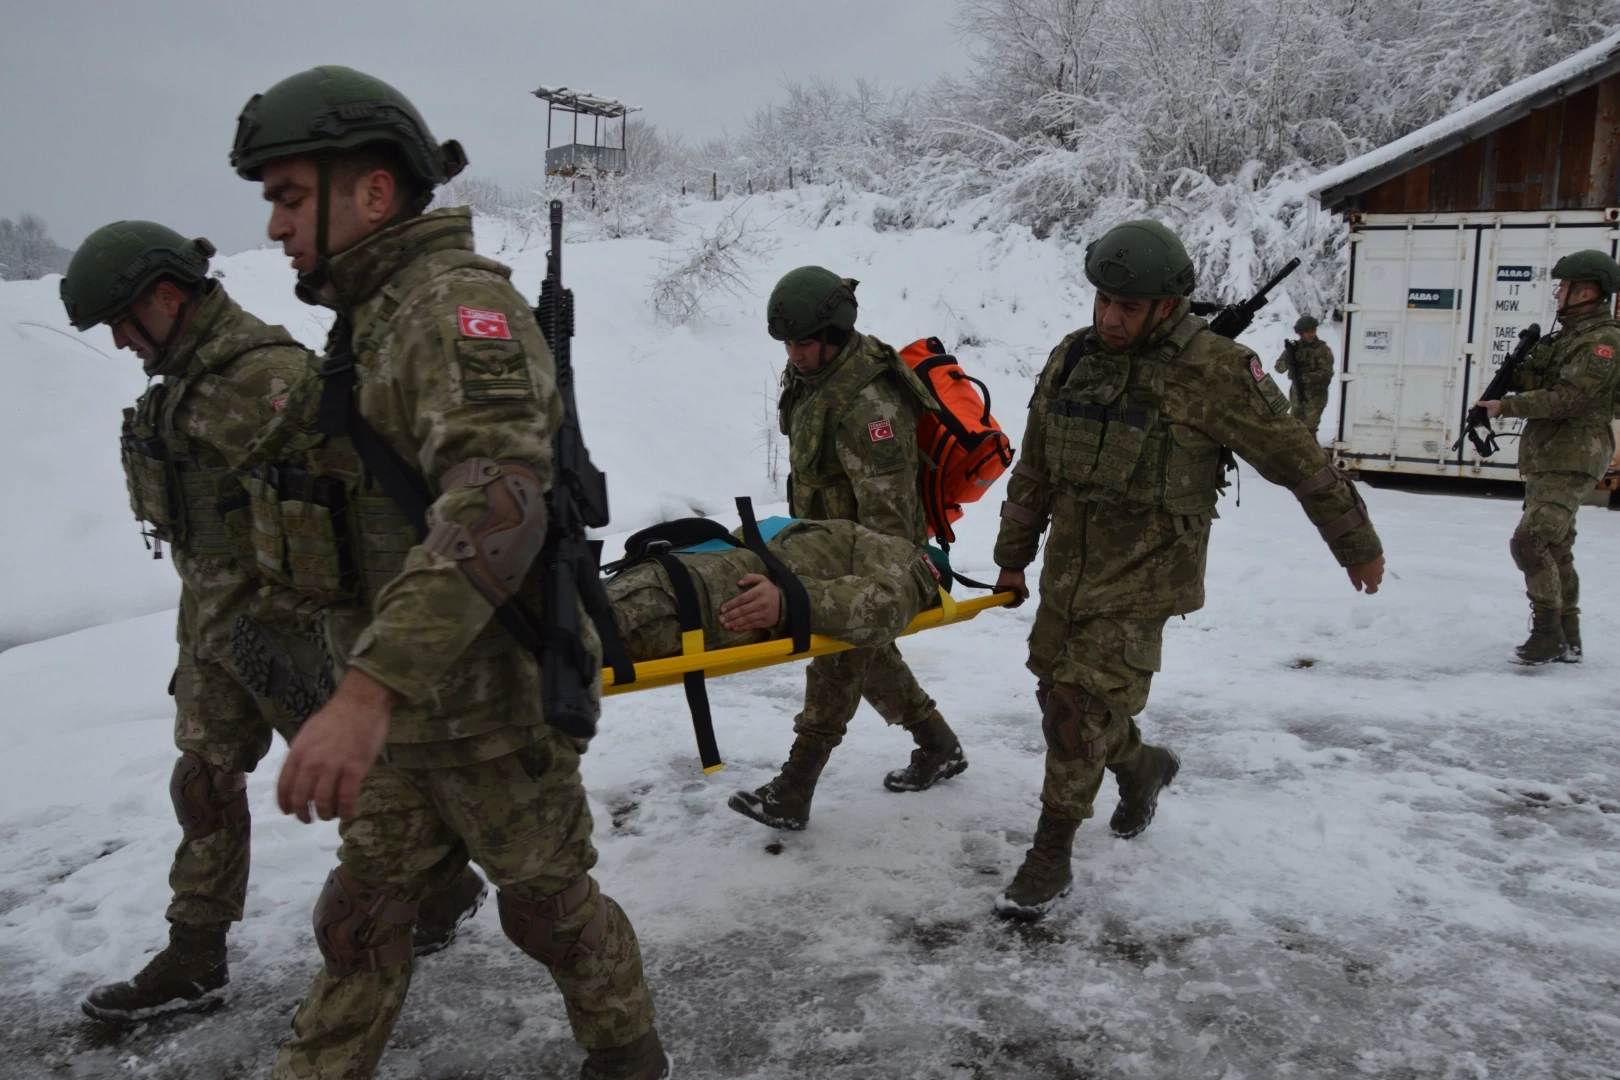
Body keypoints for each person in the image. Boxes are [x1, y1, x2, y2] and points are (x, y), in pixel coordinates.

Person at [229, 66, 666, 1079]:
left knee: (553, 917)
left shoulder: (451, 313)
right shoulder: (372, 322)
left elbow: (501, 506)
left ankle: (629, 1059)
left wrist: (365, 693)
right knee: (359, 921)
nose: (276, 226)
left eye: (291, 197)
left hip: (484, 716)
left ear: (372, 193)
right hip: (405, 725)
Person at [59, 222, 478, 1021]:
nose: (118, 342)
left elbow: (359, 505)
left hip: (288, 630)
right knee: (204, 782)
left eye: (121, 321)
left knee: (352, 786)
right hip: (213, 624)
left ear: (167, 298)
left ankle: (446, 886)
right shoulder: (182, 380)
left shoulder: (269, 379)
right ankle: (194, 956)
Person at [992, 220, 1386, 919]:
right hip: (1069, 574)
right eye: (1103, 302)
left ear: (1169, 306)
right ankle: (1144, 769)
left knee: (1077, 714)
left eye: (1129, 307)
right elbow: (1036, 469)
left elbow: (1296, 457)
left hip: (1146, 575)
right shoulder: (1071, 358)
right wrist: (1012, 561)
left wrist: (1355, 541)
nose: (1111, 318)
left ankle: (1050, 856)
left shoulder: (1215, 371)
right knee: (1060, 698)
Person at [728, 267, 962, 832]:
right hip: (824, 541)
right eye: (786, 343)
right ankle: (939, 746)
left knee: (839, 653)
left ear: (833, 334)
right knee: (873, 656)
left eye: (803, 343)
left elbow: (888, 529)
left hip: (873, 558)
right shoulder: (814, 374)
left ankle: (795, 786)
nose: (793, 354)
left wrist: (846, 593)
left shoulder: (870, 406)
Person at [1474, 250, 1620, 664]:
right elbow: (1540, 378)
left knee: (1529, 542)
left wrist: (1508, 406)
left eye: (1563, 286)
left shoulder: (1602, 342)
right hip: (1548, 456)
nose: (1557, 293)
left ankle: (1547, 634)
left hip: (1574, 456)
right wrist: (1511, 374)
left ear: (1586, 291)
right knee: (1555, 548)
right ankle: (1568, 640)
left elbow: (1569, 400)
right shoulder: (1568, 337)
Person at [607, 517, 942, 665]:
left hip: (726, 591)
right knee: (586, 616)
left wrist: (788, 603)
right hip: (707, 574)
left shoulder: (908, 559)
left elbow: (887, 607)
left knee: (591, 630)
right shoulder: (862, 540)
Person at [1275, 314, 1335, 437]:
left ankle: (1315, 456)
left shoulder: (1322, 350)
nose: (1310, 334)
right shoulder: (1294, 349)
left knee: (1309, 431)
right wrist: (1290, 362)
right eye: (1307, 332)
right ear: (1300, 333)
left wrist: (1305, 377)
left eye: (1312, 331)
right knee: (1293, 429)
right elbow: (1278, 367)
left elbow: (1327, 373)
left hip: (1316, 396)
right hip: (1297, 394)